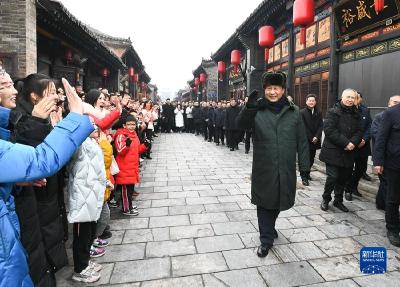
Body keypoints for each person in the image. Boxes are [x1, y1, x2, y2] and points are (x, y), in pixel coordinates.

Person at [0, 69, 94, 287]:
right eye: (5, 85)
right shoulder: (21, 118)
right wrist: (76, 117)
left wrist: (12, 181)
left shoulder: (8, 124)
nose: (14, 89)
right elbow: (41, 160)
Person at [237, 71, 309, 257]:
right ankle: (266, 239)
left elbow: (302, 141)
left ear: (283, 90)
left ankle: (270, 227)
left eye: (276, 88)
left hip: (285, 167)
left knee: (278, 202)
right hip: (264, 167)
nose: (272, 92)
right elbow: (239, 126)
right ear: (264, 90)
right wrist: (248, 107)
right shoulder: (257, 109)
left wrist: (304, 168)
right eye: (269, 88)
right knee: (264, 203)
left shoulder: (294, 112)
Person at [12, 74, 68, 287]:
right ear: (35, 96)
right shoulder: (20, 119)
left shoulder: (47, 116)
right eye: (50, 92)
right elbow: (33, 159)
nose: (56, 97)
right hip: (34, 198)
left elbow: (61, 159)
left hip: (49, 194)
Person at [67, 124, 106, 283]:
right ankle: (80, 269)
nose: (95, 128)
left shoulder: (92, 142)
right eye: (91, 126)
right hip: (82, 194)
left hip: (92, 192)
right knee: (81, 235)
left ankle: (85, 261)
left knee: (89, 232)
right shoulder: (78, 142)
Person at [319, 89, 363, 213]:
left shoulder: (357, 114)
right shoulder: (333, 111)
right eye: (348, 97)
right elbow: (329, 130)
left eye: (352, 98)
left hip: (349, 152)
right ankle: (325, 198)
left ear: (355, 100)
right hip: (333, 151)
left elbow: (359, 131)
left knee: (343, 178)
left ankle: (338, 201)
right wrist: (346, 143)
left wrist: (353, 143)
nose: (350, 100)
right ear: (342, 97)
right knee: (333, 177)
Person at [373, 96, 400, 247]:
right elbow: (381, 138)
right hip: (394, 164)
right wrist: (378, 162)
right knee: (393, 197)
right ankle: (393, 229)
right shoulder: (391, 113)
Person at [114, 115, 149, 215]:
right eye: (129, 124)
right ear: (124, 125)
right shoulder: (121, 135)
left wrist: (145, 146)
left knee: (130, 190)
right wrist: (127, 145)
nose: (131, 126)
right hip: (124, 167)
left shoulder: (134, 135)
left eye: (133, 124)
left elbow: (137, 150)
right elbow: (120, 151)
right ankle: (126, 209)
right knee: (125, 191)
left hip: (132, 167)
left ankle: (129, 205)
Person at [345, 92, 372, 201]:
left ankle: (354, 186)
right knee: (348, 168)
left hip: (363, 146)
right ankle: (347, 190)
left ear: (360, 99)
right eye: (352, 97)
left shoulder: (365, 110)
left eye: (356, 97)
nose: (354, 99)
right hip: (351, 145)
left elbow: (370, 126)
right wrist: (353, 141)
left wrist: (364, 139)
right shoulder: (346, 110)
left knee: (361, 169)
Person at [300, 94, 323, 186]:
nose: (311, 102)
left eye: (313, 101)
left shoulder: (318, 112)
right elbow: (302, 127)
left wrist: (317, 136)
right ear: (306, 101)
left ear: (315, 102)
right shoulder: (302, 112)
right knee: (305, 159)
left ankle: (307, 173)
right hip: (306, 140)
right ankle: (304, 177)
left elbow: (321, 125)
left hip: (315, 140)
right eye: (309, 100)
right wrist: (311, 137)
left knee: (312, 158)